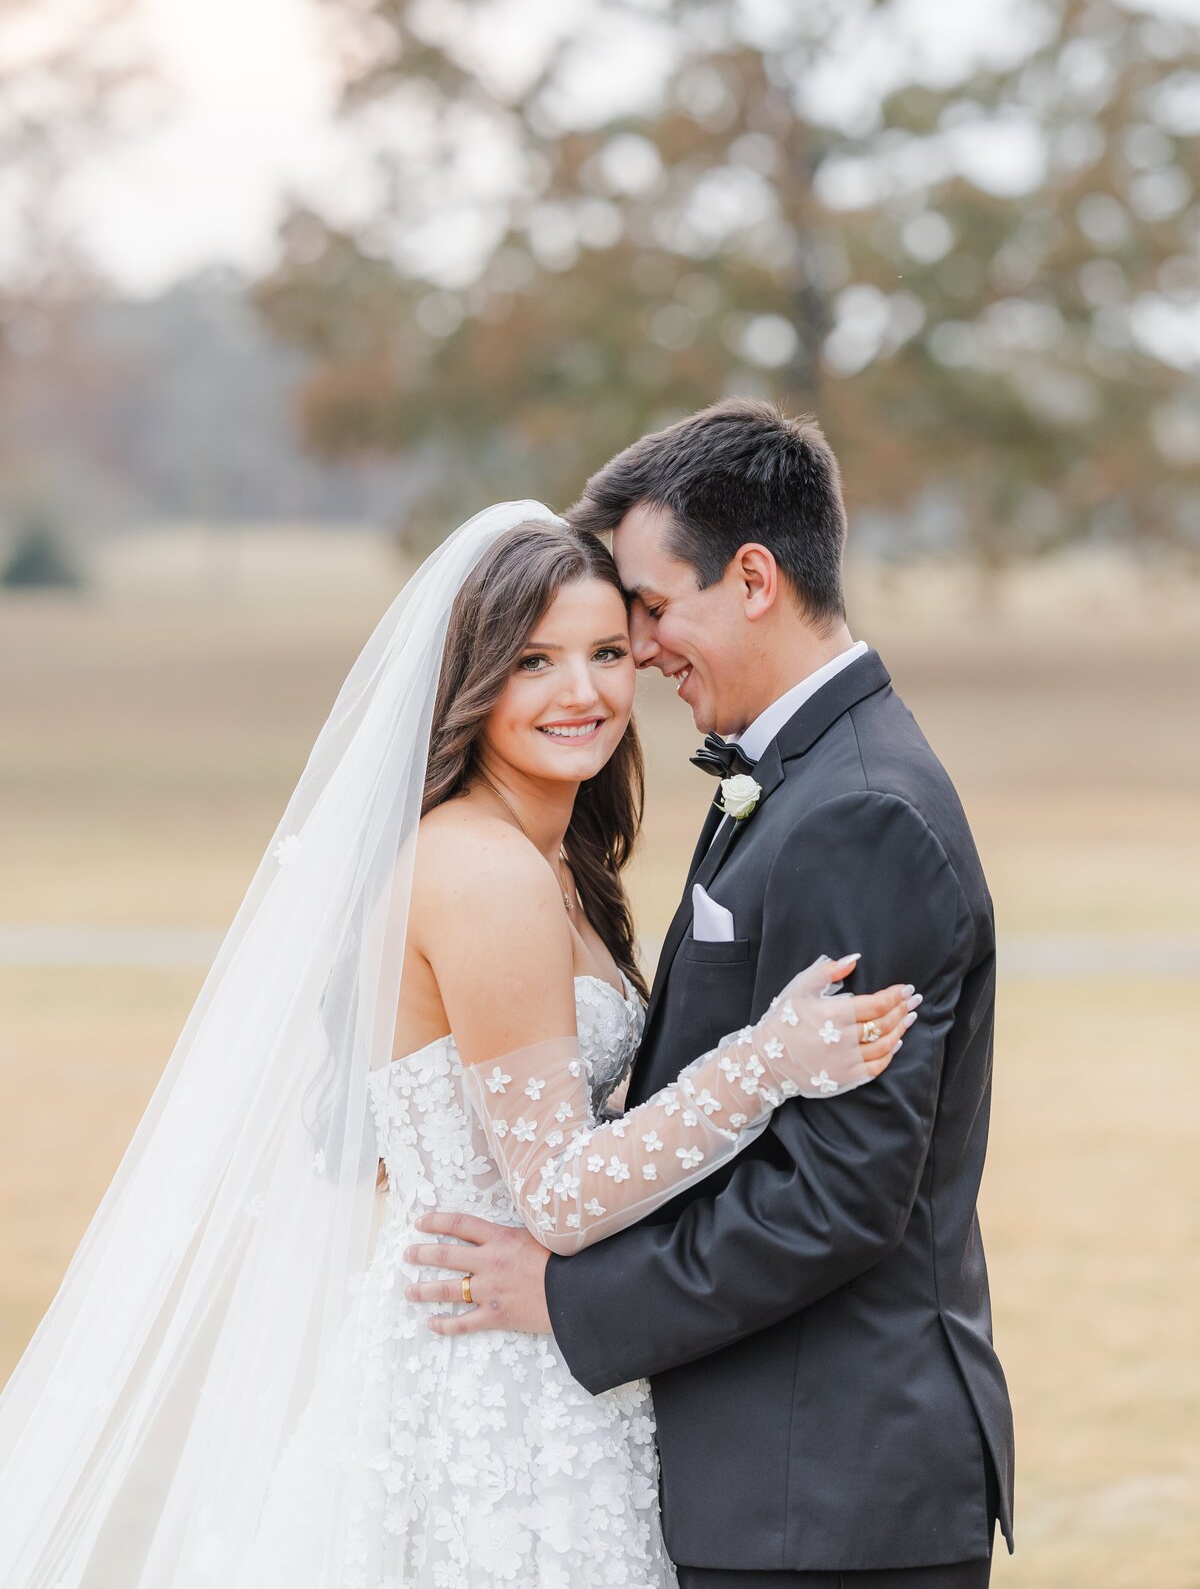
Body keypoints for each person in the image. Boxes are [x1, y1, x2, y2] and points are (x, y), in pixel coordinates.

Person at [0, 500, 912, 1588]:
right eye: (535, 662)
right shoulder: (484, 873)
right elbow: (561, 1198)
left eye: (609, 652)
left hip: (526, 1352)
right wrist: (771, 1061)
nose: (583, 693)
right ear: (472, 683)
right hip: (498, 1391)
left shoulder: (551, 856)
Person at [413, 406, 1015, 1589]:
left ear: (751, 578)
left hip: (828, 1483)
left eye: (644, 609)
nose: (634, 652)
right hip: (765, 1475)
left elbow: (838, 1198)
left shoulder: (857, 811)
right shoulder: (790, 778)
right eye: (545, 653)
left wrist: (574, 1298)